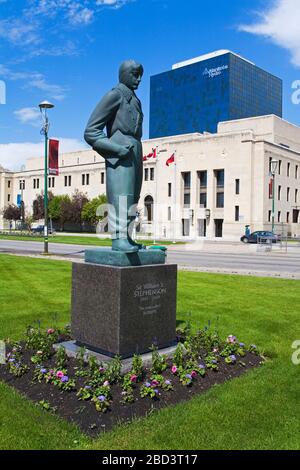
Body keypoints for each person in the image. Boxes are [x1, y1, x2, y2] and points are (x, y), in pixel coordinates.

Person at [84, 60, 144, 253]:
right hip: (120, 154)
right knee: (121, 196)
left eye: (140, 74)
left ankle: (126, 236)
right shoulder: (114, 95)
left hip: (135, 151)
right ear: (124, 74)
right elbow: (91, 131)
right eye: (135, 74)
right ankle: (118, 239)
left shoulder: (135, 100)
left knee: (133, 197)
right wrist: (115, 150)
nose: (139, 79)